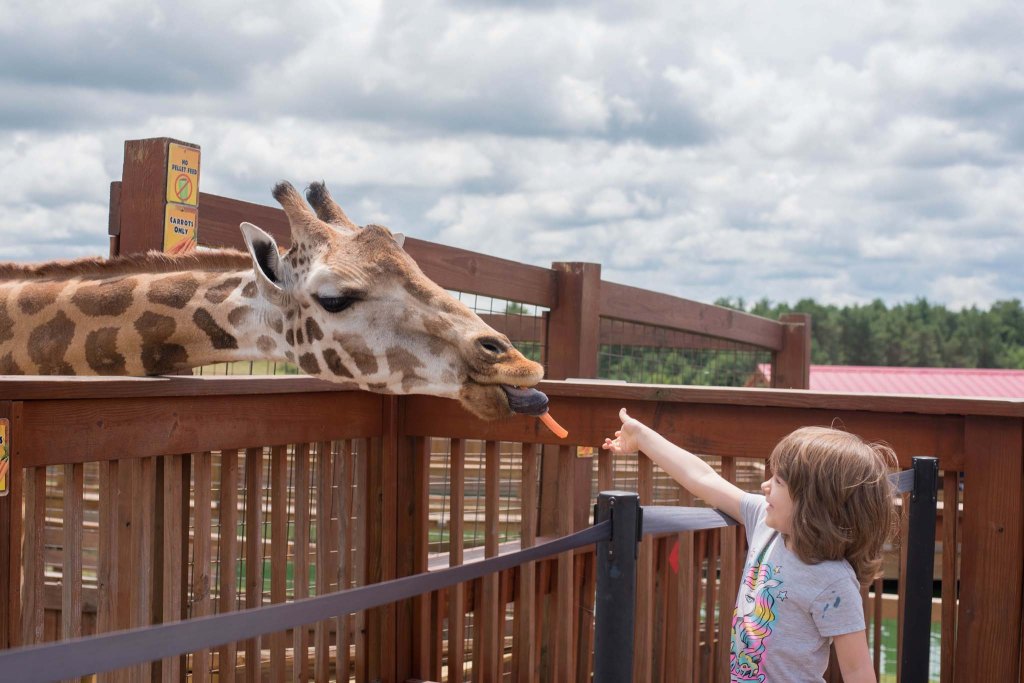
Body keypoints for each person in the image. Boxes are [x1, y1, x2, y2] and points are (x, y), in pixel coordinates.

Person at [602, 408, 897, 683]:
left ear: (814, 503)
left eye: (778, 481)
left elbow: (857, 669)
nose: (765, 486)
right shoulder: (765, 525)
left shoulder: (834, 581)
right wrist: (642, 437)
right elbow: (702, 477)